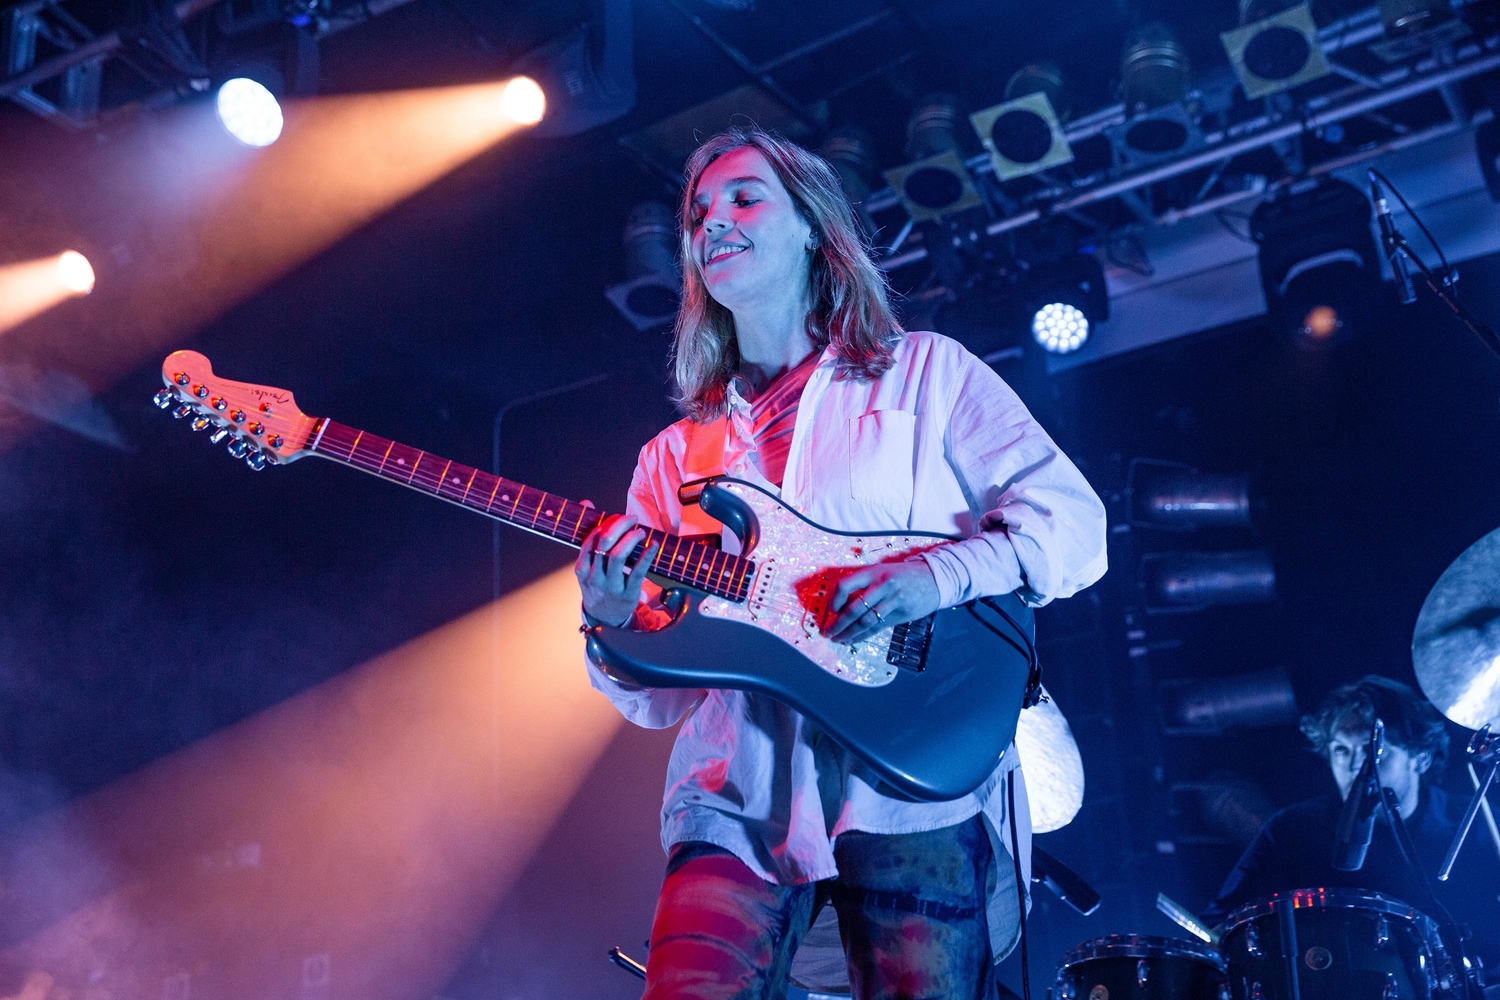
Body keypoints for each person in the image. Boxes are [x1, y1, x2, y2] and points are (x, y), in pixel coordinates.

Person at [574, 125, 1108, 1000]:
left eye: (744, 197)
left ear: (815, 228)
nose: (714, 221)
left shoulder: (925, 376)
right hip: (734, 803)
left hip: (914, 787)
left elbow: (1075, 530)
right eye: (699, 212)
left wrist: (932, 577)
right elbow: (657, 696)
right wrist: (611, 621)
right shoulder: (673, 460)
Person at [1202, 675, 1500, 975]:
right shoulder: (1292, 830)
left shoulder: (1481, 823)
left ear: (1420, 758)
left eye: (1374, 751)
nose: (1355, 765)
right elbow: (1220, 923)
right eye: (1341, 750)